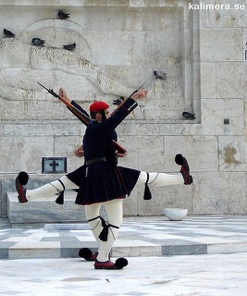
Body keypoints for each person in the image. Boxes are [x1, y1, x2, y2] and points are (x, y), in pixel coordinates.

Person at [15, 88, 193, 270]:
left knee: (79, 200)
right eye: (106, 113)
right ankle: (102, 258)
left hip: (91, 171)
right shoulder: (101, 127)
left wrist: (68, 100)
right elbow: (118, 116)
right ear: (99, 116)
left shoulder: (92, 126)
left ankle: (28, 195)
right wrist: (134, 98)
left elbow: (83, 114)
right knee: (118, 216)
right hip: (105, 174)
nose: (110, 115)